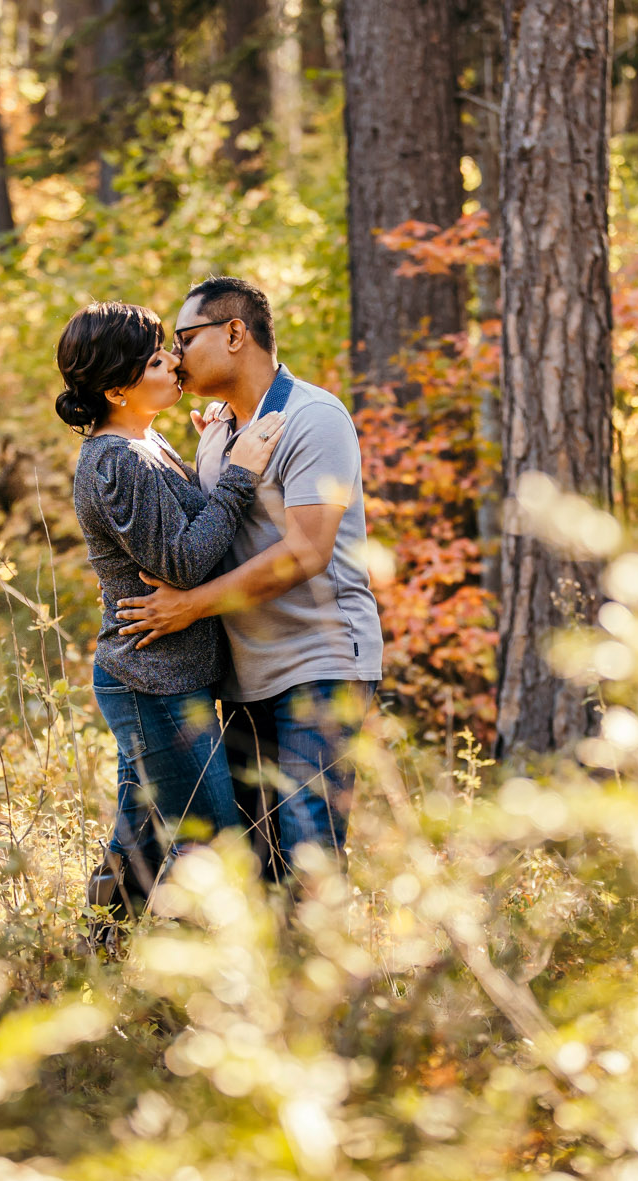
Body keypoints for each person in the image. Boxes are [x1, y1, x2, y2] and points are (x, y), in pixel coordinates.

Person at [117, 276, 385, 883]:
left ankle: (326, 975)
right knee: (256, 866)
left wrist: (188, 607)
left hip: (319, 663)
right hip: (243, 675)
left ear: (235, 333)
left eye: (185, 337)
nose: (176, 356)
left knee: (309, 851)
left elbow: (306, 552)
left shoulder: (313, 418)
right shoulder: (220, 431)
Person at [55, 301, 286, 919]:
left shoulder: (145, 442)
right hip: (150, 684)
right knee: (208, 845)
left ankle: (99, 960)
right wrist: (239, 474)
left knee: (136, 848)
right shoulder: (118, 463)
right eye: (158, 360)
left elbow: (182, 523)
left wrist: (213, 439)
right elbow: (183, 562)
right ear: (116, 388)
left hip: (168, 676)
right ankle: (188, 990)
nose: (176, 362)